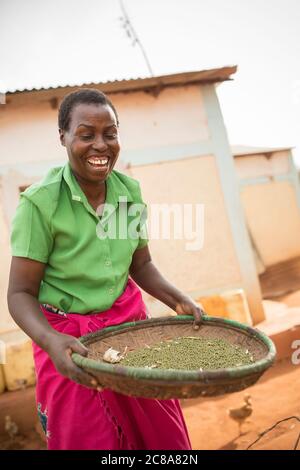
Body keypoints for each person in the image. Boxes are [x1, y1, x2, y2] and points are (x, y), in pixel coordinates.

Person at [7, 88, 204, 450]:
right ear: (63, 137)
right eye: (86, 135)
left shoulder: (128, 192)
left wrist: (179, 298)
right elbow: (20, 293)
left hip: (130, 332)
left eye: (110, 133)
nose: (101, 145)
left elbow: (141, 265)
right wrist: (51, 342)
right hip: (69, 342)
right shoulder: (41, 203)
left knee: (163, 437)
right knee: (89, 438)